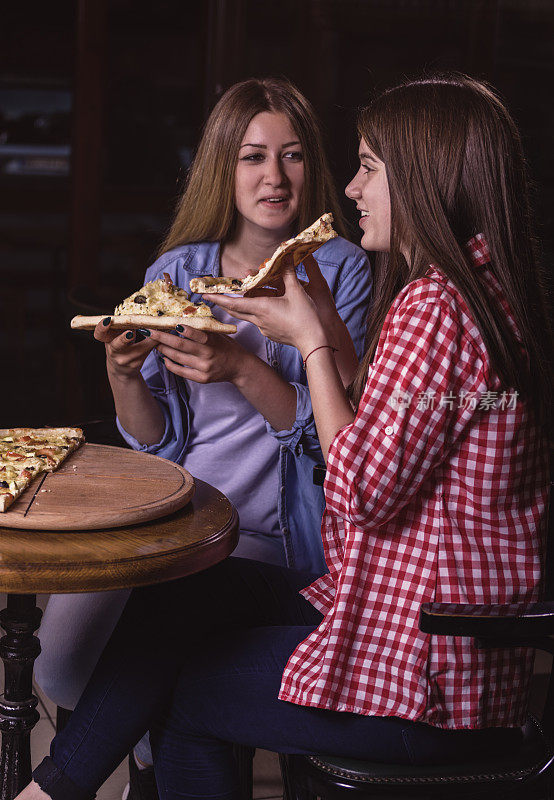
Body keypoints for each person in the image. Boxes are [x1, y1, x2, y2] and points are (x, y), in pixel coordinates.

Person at [20, 73, 550, 800]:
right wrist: (319, 329)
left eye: (367, 167)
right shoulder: (472, 291)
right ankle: (51, 792)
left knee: (184, 692)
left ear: (427, 178)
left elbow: (359, 490)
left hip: (425, 677)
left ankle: (48, 792)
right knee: (181, 602)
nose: (352, 188)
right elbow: (398, 430)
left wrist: (308, 341)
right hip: (401, 620)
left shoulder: (431, 307)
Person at [33, 76, 371, 794]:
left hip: (283, 538)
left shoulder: (339, 269)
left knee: (174, 650)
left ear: (314, 165)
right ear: (224, 164)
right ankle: (149, 731)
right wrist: (123, 373)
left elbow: (338, 435)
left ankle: (140, 757)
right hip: (177, 519)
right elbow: (156, 446)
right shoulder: (177, 272)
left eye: (292, 156)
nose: (274, 178)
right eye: (253, 156)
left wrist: (243, 368)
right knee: (57, 662)